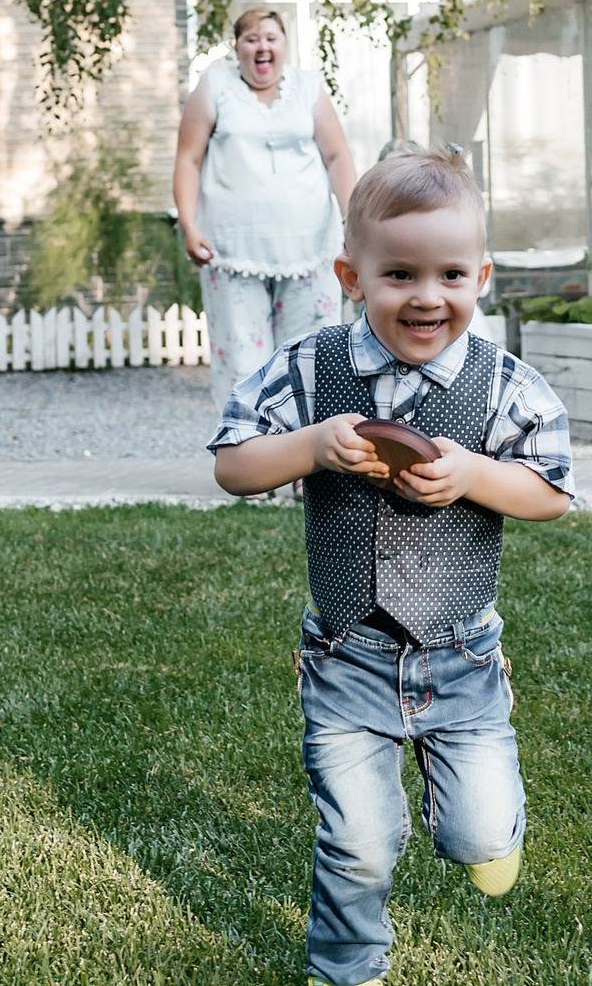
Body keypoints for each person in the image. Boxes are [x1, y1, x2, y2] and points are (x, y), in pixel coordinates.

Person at [208, 150, 572, 986]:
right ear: (351, 274)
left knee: (475, 831)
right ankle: (347, 967)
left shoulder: (504, 384)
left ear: (481, 273)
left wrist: (476, 474)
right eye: (399, 272)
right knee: (358, 840)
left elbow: (552, 490)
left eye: (451, 273)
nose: (427, 296)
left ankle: (492, 832)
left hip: (462, 655)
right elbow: (231, 463)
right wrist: (309, 446)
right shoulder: (310, 368)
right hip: (346, 657)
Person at [174, 7, 361, 409]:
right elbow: (188, 158)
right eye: (252, 39)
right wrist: (188, 224)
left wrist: (354, 222)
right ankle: (251, 460)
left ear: (284, 46)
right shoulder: (214, 86)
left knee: (310, 359)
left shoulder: (308, 88)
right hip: (232, 251)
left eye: (271, 38)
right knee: (243, 362)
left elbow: (337, 157)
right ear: (237, 48)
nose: (262, 47)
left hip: (311, 249)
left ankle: (309, 464)